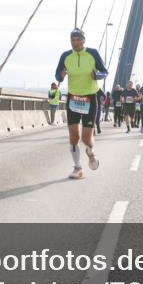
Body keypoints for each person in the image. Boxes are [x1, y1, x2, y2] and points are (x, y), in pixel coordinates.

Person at [55, 28, 107, 179]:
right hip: (73, 98)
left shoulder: (93, 53)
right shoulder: (65, 56)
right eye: (73, 40)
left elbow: (104, 71)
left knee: (85, 138)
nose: (75, 43)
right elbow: (57, 76)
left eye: (78, 40)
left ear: (83, 40)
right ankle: (78, 168)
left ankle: (90, 151)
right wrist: (61, 75)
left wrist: (97, 75)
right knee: (73, 136)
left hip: (90, 99)